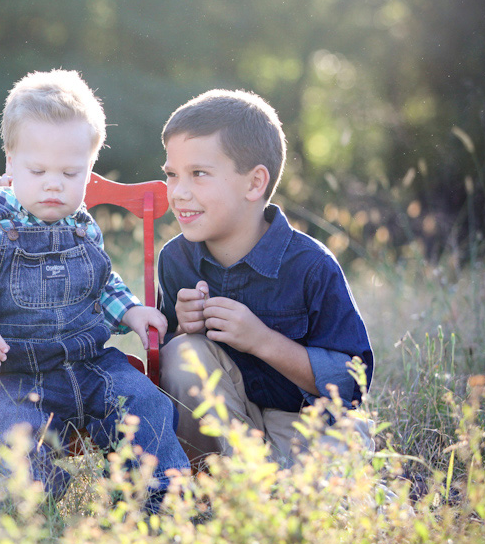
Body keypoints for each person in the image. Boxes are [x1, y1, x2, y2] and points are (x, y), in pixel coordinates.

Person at [0, 69, 190, 511]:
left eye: (71, 172)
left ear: (89, 170)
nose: (54, 183)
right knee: (14, 443)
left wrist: (132, 312)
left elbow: (102, 282)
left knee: (146, 403)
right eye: (37, 170)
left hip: (90, 363)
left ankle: (159, 505)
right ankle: (20, 513)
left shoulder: (83, 225)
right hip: (17, 373)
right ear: (11, 163)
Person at [155, 89, 375, 470]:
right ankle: (219, 475)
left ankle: (282, 488)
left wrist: (260, 340)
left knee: (331, 499)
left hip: (306, 426)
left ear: (255, 183)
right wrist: (181, 328)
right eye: (172, 175)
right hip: (227, 428)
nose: (179, 193)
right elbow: (170, 371)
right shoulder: (176, 259)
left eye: (199, 174)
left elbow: (351, 385)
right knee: (181, 353)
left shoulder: (310, 266)